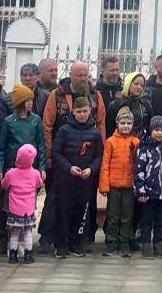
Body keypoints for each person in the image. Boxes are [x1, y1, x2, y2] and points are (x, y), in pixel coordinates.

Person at [41, 61, 106, 250]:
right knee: (55, 199)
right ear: (71, 75)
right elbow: (47, 125)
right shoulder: (57, 95)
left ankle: (81, 239)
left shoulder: (96, 96)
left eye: (86, 75)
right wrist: (50, 155)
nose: (84, 79)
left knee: (84, 202)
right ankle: (48, 236)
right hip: (62, 159)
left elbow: (101, 124)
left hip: (87, 161)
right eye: (79, 75)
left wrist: (99, 153)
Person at [0, 84, 45, 256]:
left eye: (31, 100)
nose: (30, 103)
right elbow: (1, 147)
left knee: (28, 205)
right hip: (11, 169)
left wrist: (42, 167)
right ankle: (4, 237)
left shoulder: (36, 120)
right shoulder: (9, 121)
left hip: (31, 171)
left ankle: (23, 239)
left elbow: (41, 145)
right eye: (26, 100)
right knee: (6, 204)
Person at [51, 95, 102, 259]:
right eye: (79, 111)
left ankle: (75, 243)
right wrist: (69, 167)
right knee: (63, 211)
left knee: (80, 212)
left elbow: (99, 156)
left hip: (85, 181)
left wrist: (91, 169)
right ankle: (61, 244)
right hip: (65, 180)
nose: (82, 114)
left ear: (89, 111)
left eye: (85, 111)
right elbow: (56, 153)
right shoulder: (64, 130)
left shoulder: (94, 133)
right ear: (73, 112)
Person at [99, 108, 139, 258]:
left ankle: (124, 242)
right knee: (113, 214)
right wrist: (103, 185)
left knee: (127, 215)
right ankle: (111, 241)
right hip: (114, 185)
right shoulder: (110, 142)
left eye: (129, 123)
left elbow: (138, 165)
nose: (125, 126)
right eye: (122, 123)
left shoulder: (135, 142)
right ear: (117, 124)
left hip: (130, 186)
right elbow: (105, 165)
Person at [134, 116, 162, 258]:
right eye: (156, 130)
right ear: (151, 130)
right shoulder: (144, 148)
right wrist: (140, 191)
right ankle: (145, 244)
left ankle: (158, 243)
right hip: (148, 193)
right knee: (146, 220)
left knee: (160, 220)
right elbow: (139, 170)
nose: (159, 133)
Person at [0, 144, 43, 265]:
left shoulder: (11, 173)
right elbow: (39, 184)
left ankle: (13, 255)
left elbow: (4, 185)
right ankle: (28, 255)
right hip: (28, 210)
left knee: (14, 233)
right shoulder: (35, 173)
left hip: (14, 210)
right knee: (28, 232)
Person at [105, 72, 150, 138]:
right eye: (136, 84)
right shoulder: (116, 104)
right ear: (128, 84)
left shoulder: (145, 104)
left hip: (140, 144)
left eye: (142, 85)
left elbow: (149, 127)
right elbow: (109, 128)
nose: (139, 87)